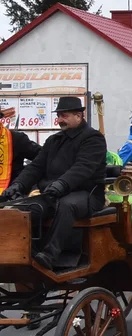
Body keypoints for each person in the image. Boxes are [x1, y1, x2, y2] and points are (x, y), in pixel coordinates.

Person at [0, 96, 106, 270]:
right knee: (22, 209)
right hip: (53, 193)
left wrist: (62, 184)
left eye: (64, 116)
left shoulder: (93, 138)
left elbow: (83, 168)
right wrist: (18, 185)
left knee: (66, 205)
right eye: (59, 116)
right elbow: (35, 167)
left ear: (79, 116)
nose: (60, 120)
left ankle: (51, 254)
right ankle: (28, 253)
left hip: (86, 194)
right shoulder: (53, 140)